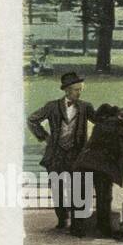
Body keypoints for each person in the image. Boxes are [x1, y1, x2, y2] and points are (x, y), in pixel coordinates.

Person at [27, 71, 96, 232]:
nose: (79, 92)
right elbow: (32, 120)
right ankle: (62, 218)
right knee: (57, 187)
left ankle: (78, 221)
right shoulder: (51, 106)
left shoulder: (86, 106)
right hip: (56, 154)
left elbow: (99, 121)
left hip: (77, 154)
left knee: (77, 186)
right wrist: (45, 137)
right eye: (76, 89)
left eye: (80, 89)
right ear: (67, 90)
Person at [72, 105, 123, 238]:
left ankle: (77, 229)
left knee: (81, 197)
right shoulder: (117, 124)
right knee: (104, 198)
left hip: (83, 163)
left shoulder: (98, 126)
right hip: (102, 167)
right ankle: (104, 229)